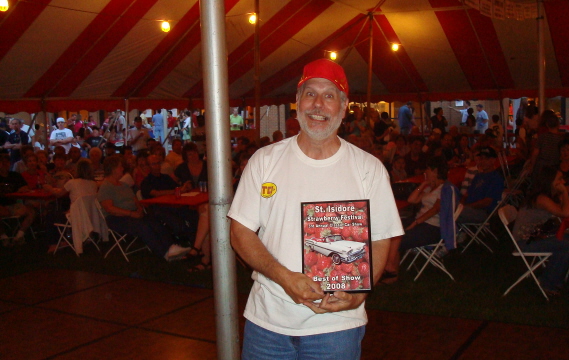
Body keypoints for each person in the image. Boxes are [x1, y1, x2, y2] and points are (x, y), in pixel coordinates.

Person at [228, 58, 403, 359]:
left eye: (329, 96)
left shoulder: (368, 169)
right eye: (310, 94)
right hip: (267, 323)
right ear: (297, 102)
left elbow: (381, 238)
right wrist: (284, 277)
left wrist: (360, 293)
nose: (318, 105)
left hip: (337, 327)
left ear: (344, 107)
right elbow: (240, 231)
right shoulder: (265, 160)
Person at [381, 156, 459, 283]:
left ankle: (391, 273)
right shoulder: (431, 187)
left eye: (428, 170)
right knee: (391, 230)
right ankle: (389, 268)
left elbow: (435, 209)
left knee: (399, 240)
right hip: (420, 222)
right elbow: (411, 200)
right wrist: (423, 184)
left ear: (435, 171)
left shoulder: (444, 189)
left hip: (433, 228)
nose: (425, 172)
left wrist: (416, 222)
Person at [97, 155, 190, 261]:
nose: (122, 169)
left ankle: (171, 247)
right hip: (116, 218)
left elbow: (135, 200)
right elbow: (110, 209)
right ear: (113, 169)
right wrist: (131, 214)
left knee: (155, 221)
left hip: (132, 213)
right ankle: (164, 253)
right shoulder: (106, 187)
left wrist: (139, 210)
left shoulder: (123, 185)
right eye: (120, 167)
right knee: (143, 226)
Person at [511, 166, 569, 296]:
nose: (563, 182)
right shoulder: (541, 199)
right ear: (550, 181)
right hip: (526, 241)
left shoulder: (549, 196)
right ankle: (547, 283)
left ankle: (556, 279)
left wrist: (568, 206)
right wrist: (565, 192)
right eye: (559, 179)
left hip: (538, 234)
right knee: (565, 244)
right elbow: (566, 213)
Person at [457, 147, 504, 224]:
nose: (482, 161)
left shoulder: (496, 178)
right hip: (468, 208)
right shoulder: (478, 176)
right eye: (481, 159)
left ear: (493, 160)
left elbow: (487, 202)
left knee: (451, 213)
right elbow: (466, 195)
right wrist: (461, 204)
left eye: (486, 159)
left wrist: (467, 206)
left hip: (483, 212)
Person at [0, 154, 36, 246]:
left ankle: (19, 235)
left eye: (7, 162)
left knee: (31, 211)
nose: (5, 164)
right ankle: (3, 237)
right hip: (1, 205)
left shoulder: (15, 175)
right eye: (2, 162)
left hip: (13, 204)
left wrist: (20, 190)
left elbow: (25, 187)